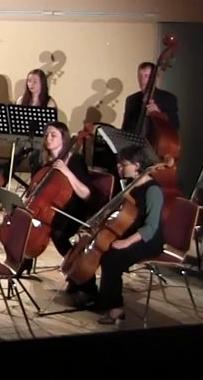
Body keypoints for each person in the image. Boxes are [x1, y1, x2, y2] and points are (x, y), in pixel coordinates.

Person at [72, 146, 165, 323]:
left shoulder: (153, 190)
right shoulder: (132, 184)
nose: (119, 168)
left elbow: (151, 227)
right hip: (130, 232)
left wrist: (126, 242)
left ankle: (115, 309)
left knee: (112, 259)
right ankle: (101, 299)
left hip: (148, 240)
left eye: (123, 165)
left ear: (137, 165)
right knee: (104, 251)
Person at [25, 122, 92, 270]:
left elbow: (86, 194)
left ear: (64, 138)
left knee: (57, 233)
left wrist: (67, 172)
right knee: (24, 221)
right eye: (46, 135)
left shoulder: (75, 160)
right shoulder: (41, 160)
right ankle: (24, 260)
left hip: (72, 209)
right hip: (48, 207)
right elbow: (34, 188)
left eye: (53, 135)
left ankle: (79, 269)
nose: (48, 138)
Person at [121, 61, 180, 132]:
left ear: (155, 78)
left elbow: (175, 125)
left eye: (146, 76)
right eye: (140, 76)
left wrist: (158, 113)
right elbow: (125, 128)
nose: (142, 80)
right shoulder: (131, 99)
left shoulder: (169, 98)